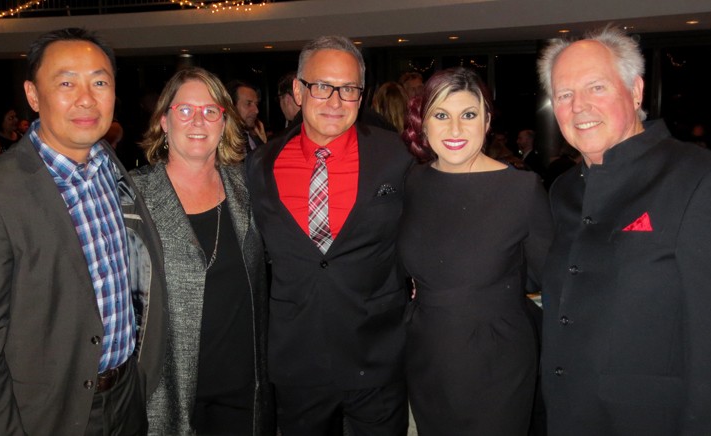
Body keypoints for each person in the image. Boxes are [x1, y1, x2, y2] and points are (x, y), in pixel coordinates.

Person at [0, 28, 167, 435]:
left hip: (125, 398)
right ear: (33, 96)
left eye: (100, 82)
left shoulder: (116, 172)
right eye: (67, 82)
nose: (86, 98)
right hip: (46, 413)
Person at [537, 25, 711, 435]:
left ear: (636, 91)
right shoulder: (564, 190)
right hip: (568, 415)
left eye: (596, 88)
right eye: (565, 95)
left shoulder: (699, 180)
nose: (579, 106)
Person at [247, 35, 414, 436]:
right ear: (298, 91)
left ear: (362, 93)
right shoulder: (260, 164)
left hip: (377, 354)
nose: (336, 102)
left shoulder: (397, 156)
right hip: (297, 359)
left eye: (349, 89)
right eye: (322, 86)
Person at [399, 67, 552, 435]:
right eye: (441, 115)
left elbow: (545, 274)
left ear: (486, 122)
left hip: (496, 362)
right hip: (427, 353)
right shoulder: (414, 181)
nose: (454, 129)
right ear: (423, 124)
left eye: (468, 115)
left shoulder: (521, 190)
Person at [131, 67, 273, 435]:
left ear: (224, 121)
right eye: (185, 110)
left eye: (211, 111)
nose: (198, 121)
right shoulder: (133, 197)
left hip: (243, 386)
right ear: (164, 120)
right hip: (170, 390)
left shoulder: (247, 187)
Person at [227, 79, 266, 150]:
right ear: (232, 106)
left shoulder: (255, 137)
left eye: (256, 104)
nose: (256, 111)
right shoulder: (222, 143)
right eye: (248, 104)